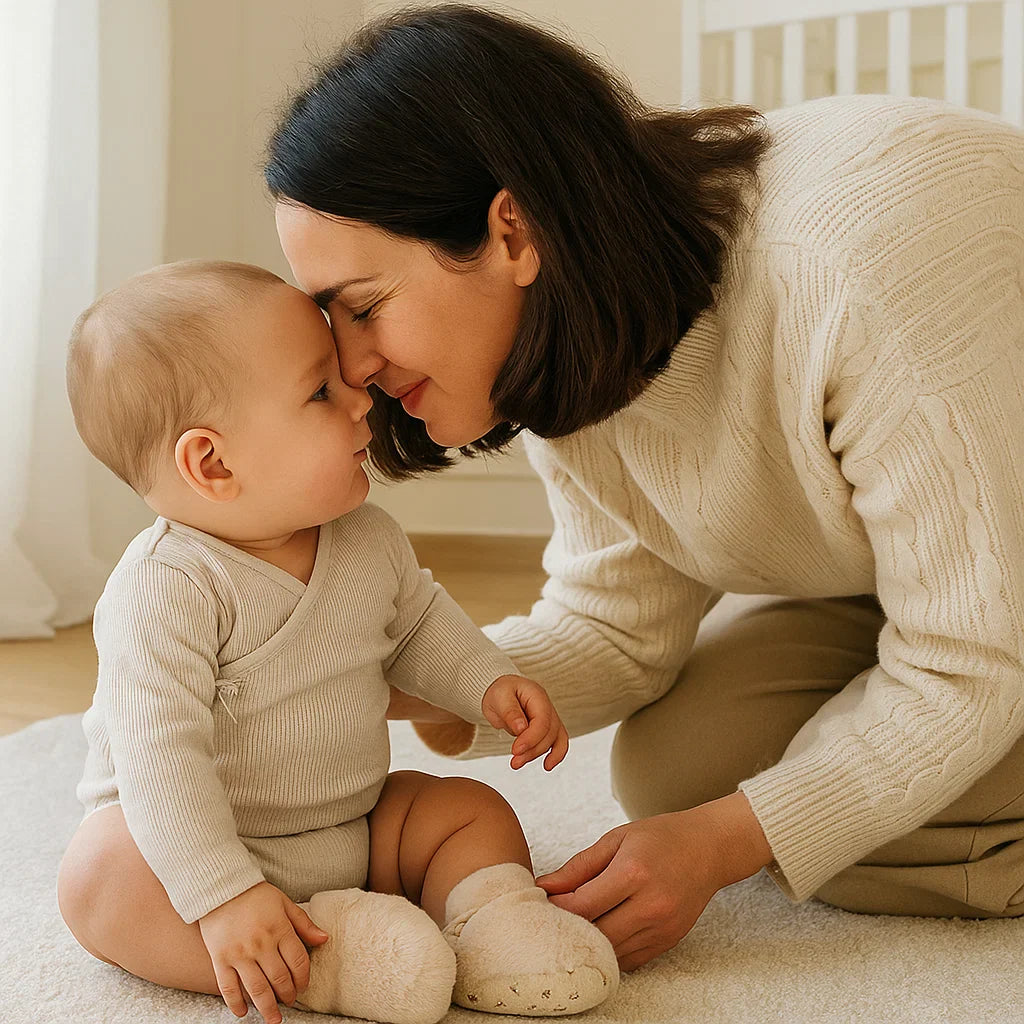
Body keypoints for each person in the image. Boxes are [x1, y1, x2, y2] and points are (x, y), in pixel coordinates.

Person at [264, 1, 1024, 975]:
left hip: (993, 600)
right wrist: (422, 682)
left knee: (767, 810)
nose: (354, 365)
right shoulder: (574, 336)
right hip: (950, 578)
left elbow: (966, 656)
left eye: (362, 307)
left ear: (512, 230)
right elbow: (617, 627)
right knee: (677, 766)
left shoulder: (852, 272)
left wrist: (729, 842)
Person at [55, 259, 620, 1024]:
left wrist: (487, 682)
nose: (361, 397)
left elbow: (420, 625)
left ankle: (494, 922)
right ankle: (318, 965)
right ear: (213, 463)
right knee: (97, 878)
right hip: (197, 851)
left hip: (352, 826)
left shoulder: (366, 538)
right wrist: (223, 893)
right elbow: (160, 761)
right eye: (321, 390)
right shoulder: (166, 588)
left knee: (468, 810)